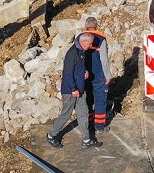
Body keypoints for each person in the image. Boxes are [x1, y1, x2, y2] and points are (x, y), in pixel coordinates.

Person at [45, 17, 109, 148]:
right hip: (71, 90)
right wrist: (73, 89)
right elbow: (68, 73)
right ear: (84, 42)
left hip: (80, 89)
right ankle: (51, 136)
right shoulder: (72, 54)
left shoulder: (81, 51)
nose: (91, 46)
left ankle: (86, 140)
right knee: (66, 114)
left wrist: (84, 73)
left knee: (83, 113)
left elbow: (78, 69)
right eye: (89, 44)